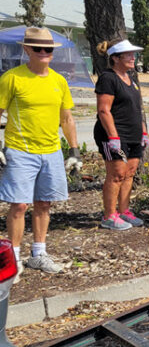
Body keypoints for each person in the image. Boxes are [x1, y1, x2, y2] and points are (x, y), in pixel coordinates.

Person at [0, 27, 81, 278]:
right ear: (27, 50)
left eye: (48, 49)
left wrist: (75, 151)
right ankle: (13, 258)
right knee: (19, 205)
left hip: (52, 151)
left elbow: (66, 118)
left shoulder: (59, 81)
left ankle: (38, 253)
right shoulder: (12, 78)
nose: (44, 53)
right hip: (20, 150)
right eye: (38, 49)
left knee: (44, 203)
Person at [94, 40, 149, 230]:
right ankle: (109, 216)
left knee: (129, 173)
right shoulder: (108, 78)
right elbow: (103, 110)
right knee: (116, 174)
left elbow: (136, 109)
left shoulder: (130, 78)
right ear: (115, 58)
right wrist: (113, 137)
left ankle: (124, 212)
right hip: (115, 135)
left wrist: (143, 132)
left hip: (133, 134)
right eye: (128, 55)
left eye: (134, 54)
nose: (133, 58)